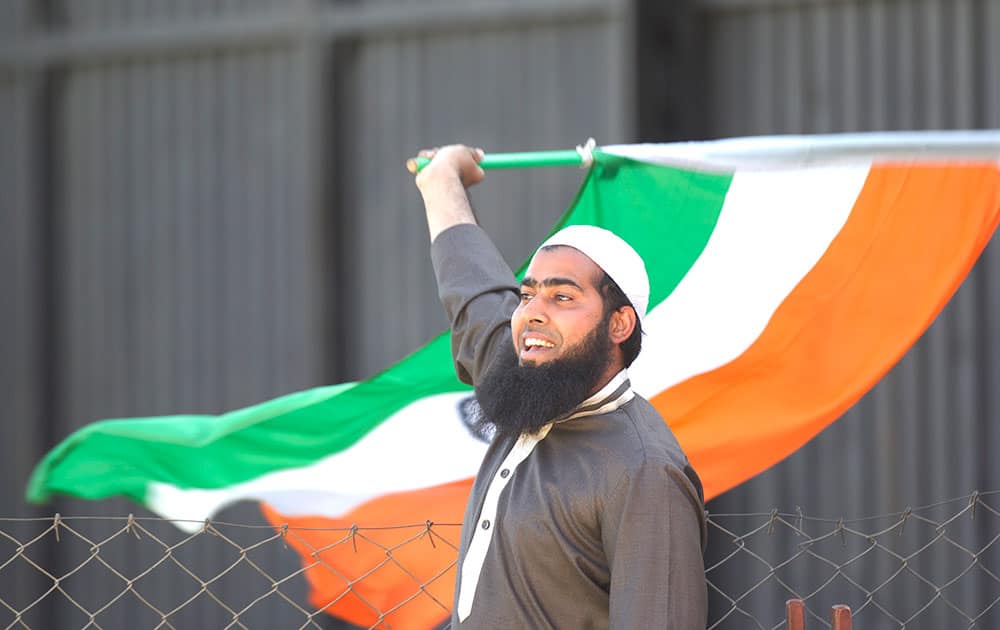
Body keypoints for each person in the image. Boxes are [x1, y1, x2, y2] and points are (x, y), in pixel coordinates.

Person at [415, 145, 708, 629]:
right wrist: (442, 180)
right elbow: (472, 291)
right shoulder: (525, 383)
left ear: (618, 325)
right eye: (528, 293)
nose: (531, 311)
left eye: (562, 297)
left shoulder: (644, 471)